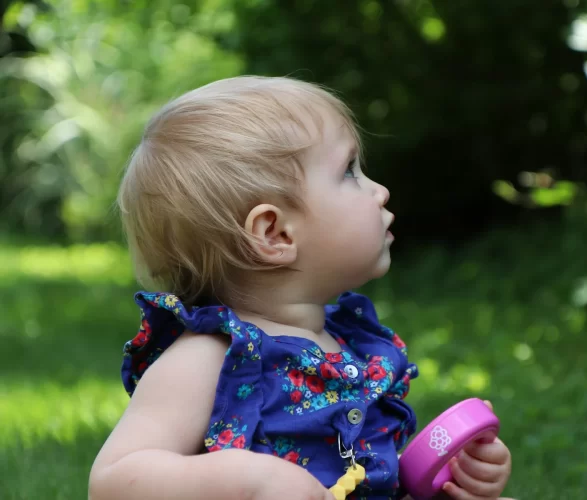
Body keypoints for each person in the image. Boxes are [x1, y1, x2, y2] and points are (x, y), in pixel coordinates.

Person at [88, 76, 512, 500]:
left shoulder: (348, 345)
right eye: (349, 172)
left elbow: (362, 482)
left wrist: (445, 480)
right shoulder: (207, 359)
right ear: (275, 234)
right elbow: (112, 481)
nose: (380, 191)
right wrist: (254, 480)